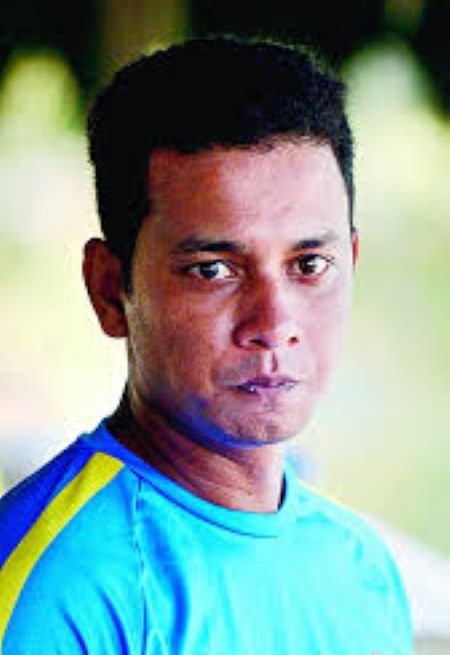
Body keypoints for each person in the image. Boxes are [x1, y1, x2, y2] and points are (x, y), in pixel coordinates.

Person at [0, 36, 412, 654]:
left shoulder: (362, 570)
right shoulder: (53, 593)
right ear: (109, 290)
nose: (273, 322)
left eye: (309, 265)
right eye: (213, 270)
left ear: (351, 262)